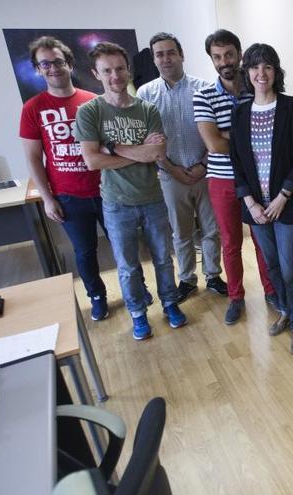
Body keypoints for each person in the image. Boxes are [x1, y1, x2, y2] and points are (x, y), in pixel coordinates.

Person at [75, 42, 188, 341]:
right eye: (107, 70)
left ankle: (170, 304)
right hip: (116, 203)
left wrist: (112, 146)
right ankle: (138, 314)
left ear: (128, 70)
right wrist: (140, 151)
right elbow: (92, 160)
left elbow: (158, 152)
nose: (115, 76)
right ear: (96, 74)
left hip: (152, 197)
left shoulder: (146, 109)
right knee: (127, 266)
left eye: (120, 68)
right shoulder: (90, 112)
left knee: (164, 258)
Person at [229, 43, 293, 355]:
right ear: (247, 72)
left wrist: (283, 196)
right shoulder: (240, 111)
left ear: (276, 71)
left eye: (267, 67)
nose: (260, 73)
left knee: (291, 268)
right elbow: (236, 160)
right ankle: (287, 313)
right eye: (254, 67)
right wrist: (250, 202)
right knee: (272, 266)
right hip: (256, 207)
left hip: (287, 205)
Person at [19, 36, 110, 322]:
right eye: (45, 63)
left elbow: (109, 146)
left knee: (122, 244)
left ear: (69, 64)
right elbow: (34, 157)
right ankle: (97, 297)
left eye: (58, 61)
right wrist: (47, 199)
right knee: (84, 252)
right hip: (68, 196)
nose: (53, 68)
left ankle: (137, 290)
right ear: (38, 69)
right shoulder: (33, 108)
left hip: (107, 190)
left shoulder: (93, 101)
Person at [194, 30, 279, 325]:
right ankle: (236, 296)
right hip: (222, 181)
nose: (224, 61)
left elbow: (270, 135)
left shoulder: (256, 89)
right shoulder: (203, 96)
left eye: (229, 54)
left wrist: (231, 135)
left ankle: (271, 291)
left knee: (261, 239)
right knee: (230, 242)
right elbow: (213, 144)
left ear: (239, 53)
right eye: (217, 57)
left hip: (258, 179)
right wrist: (248, 138)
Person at [138, 32, 227, 303]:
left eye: (170, 52)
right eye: (159, 54)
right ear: (154, 59)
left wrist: (203, 164)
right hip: (169, 175)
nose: (166, 58)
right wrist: (171, 168)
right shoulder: (146, 94)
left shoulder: (205, 88)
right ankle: (187, 279)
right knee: (181, 232)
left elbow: (217, 132)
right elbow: (147, 140)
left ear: (181, 54)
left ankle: (213, 274)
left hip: (207, 171)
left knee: (212, 229)